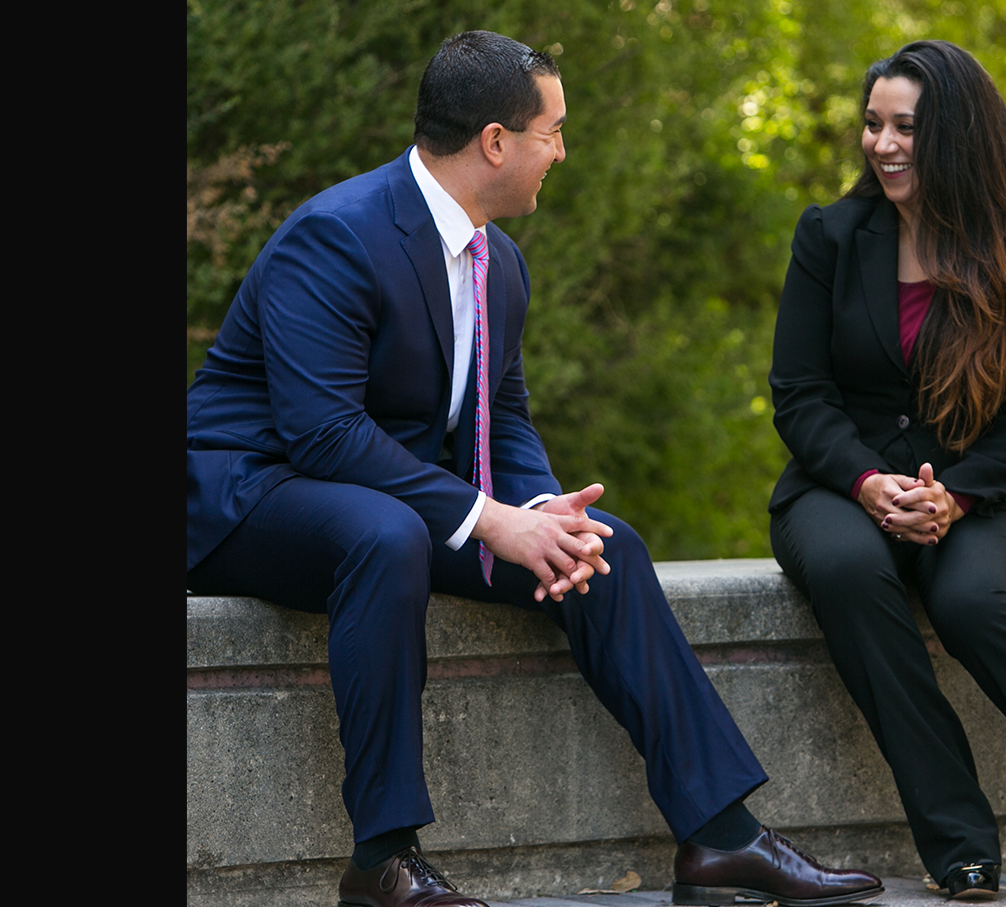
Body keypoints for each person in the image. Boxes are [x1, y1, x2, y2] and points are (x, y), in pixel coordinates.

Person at [188, 30, 882, 907]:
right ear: (495, 141)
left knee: (604, 546)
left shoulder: (499, 264)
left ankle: (721, 837)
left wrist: (541, 508)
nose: (561, 151)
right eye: (552, 132)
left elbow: (502, 415)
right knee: (387, 535)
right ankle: (382, 862)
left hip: (386, 501)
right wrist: (490, 520)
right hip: (249, 492)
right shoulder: (337, 235)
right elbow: (323, 433)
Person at [767, 39, 1006, 903]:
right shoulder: (830, 235)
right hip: (840, 486)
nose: (882, 144)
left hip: (985, 492)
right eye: (873, 124)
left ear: (959, 135)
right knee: (848, 569)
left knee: (972, 600)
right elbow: (799, 394)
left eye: (905, 127)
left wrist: (957, 496)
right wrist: (869, 482)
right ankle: (960, 842)